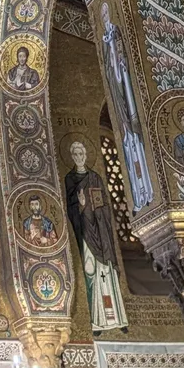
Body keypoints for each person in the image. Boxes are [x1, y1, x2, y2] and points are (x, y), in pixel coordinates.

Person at [64, 141, 127, 331]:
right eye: (75, 154)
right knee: (90, 272)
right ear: (72, 157)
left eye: (81, 152)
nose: (79, 156)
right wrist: (81, 205)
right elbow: (71, 207)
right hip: (85, 233)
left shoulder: (95, 177)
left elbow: (105, 205)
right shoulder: (70, 179)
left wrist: (98, 210)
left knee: (108, 274)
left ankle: (119, 321)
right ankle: (97, 321)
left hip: (102, 233)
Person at [101, 3, 154, 210]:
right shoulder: (106, 42)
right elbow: (107, 68)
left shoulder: (117, 33)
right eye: (103, 14)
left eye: (106, 13)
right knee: (128, 137)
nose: (105, 16)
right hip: (118, 92)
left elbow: (123, 60)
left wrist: (120, 61)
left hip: (128, 89)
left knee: (137, 134)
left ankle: (148, 192)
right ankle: (139, 196)